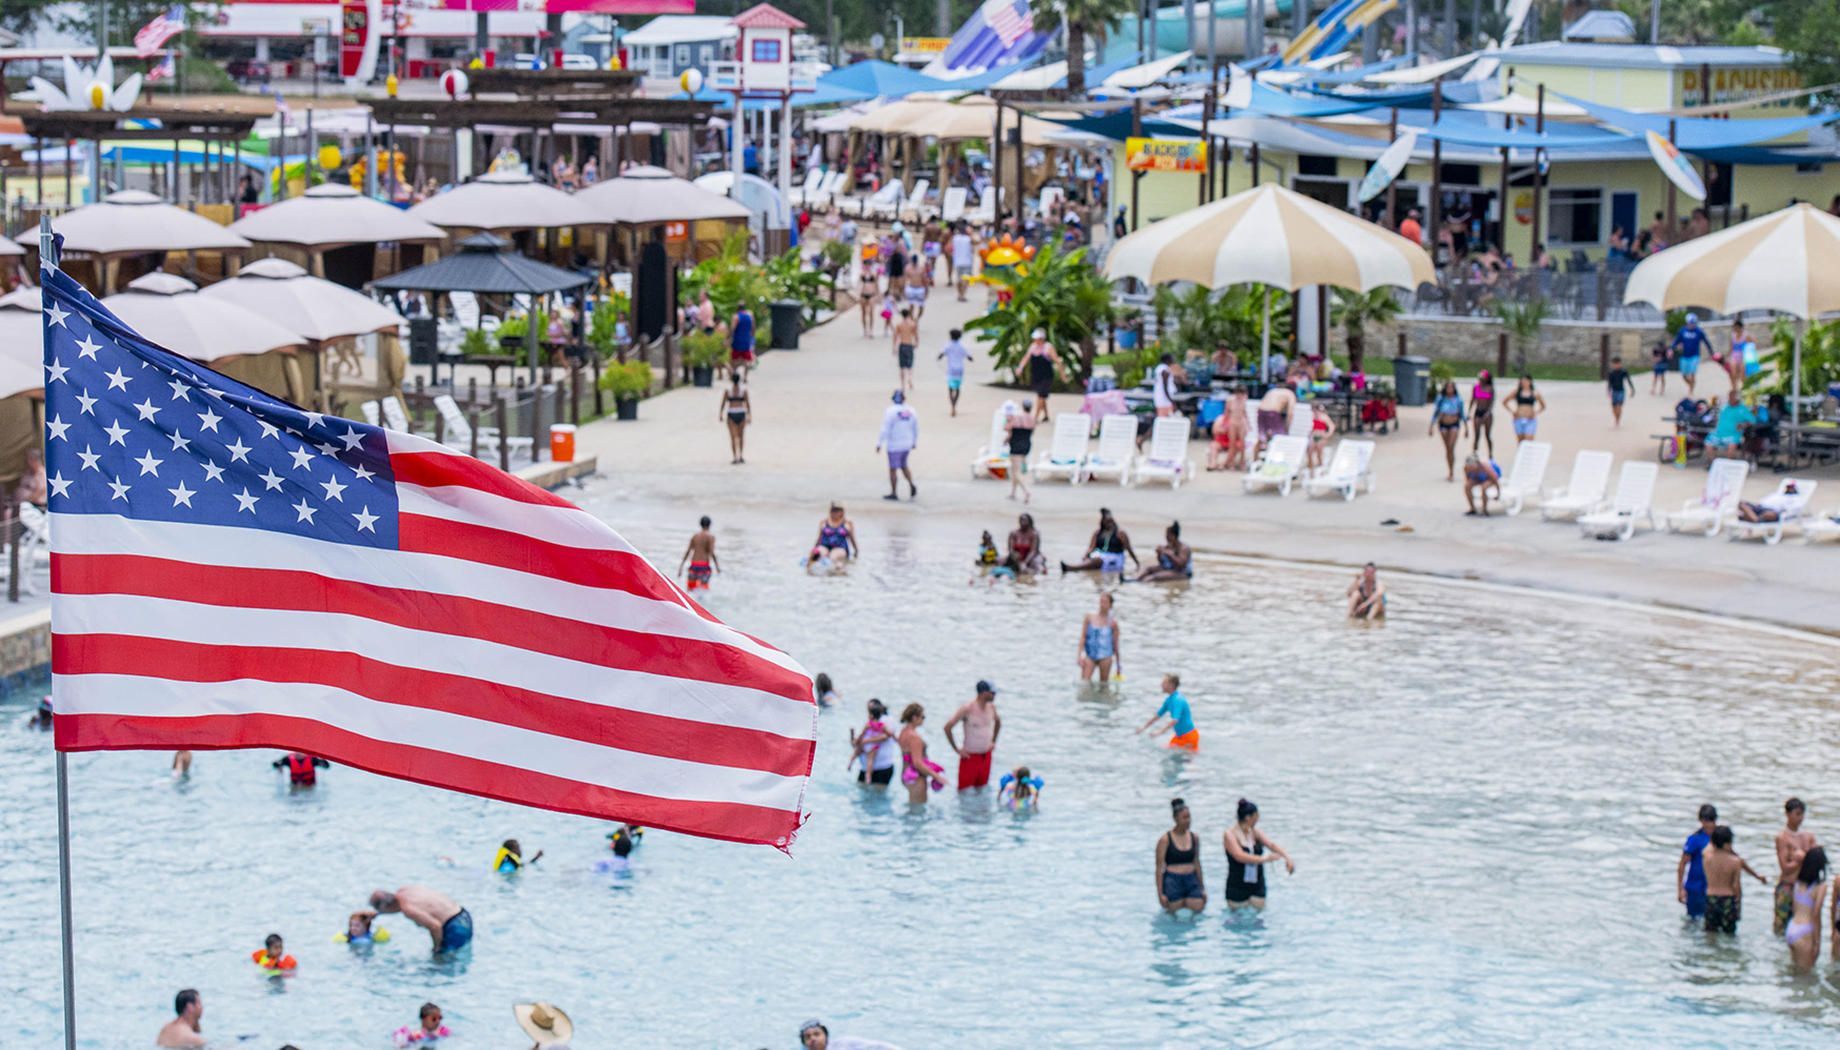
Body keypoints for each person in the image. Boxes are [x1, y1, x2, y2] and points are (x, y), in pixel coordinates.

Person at [1222, 798, 1295, 911]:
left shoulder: (1255, 832)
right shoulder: (1230, 834)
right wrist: (1265, 859)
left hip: (1257, 884)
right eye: (1256, 816)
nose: (1258, 819)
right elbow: (1239, 856)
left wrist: (1287, 857)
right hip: (1237, 884)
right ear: (1248, 817)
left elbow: (1271, 845)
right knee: (1237, 919)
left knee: (1258, 918)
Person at [1702, 825, 1767, 934]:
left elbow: (1711, 845)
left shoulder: (1706, 855)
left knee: (1710, 935)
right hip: (1728, 900)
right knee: (1729, 935)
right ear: (1728, 844)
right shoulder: (1735, 862)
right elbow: (1737, 887)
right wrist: (1739, 910)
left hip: (1711, 898)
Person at [369, 885, 471, 951]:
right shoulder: (406, 890)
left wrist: (436, 948)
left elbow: (435, 926)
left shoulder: (408, 909)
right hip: (463, 914)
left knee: (442, 962)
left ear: (387, 907)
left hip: (455, 927)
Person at [943, 680, 1001, 790]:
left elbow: (998, 722)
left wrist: (993, 741)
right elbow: (947, 727)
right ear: (983, 693)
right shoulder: (967, 708)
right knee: (964, 791)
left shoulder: (992, 707)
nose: (994, 695)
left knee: (982, 789)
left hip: (986, 755)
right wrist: (957, 749)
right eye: (992, 693)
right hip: (970, 757)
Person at [1775, 798, 1817, 937]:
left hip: (1804, 887)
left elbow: (1817, 861)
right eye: (1797, 814)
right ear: (1787, 814)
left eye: (1802, 814)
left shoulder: (1808, 837)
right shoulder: (1783, 838)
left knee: (1804, 923)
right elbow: (1785, 867)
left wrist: (1803, 858)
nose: (1801, 818)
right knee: (1782, 924)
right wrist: (1801, 860)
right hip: (1788, 885)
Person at [1156, 798, 1206, 914]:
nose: (1188, 821)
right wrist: (1160, 893)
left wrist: (1202, 888)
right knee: (1173, 912)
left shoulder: (1194, 838)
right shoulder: (1165, 840)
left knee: (1198, 908)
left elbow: (1197, 863)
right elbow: (1159, 868)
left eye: (1189, 817)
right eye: (1184, 818)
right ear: (1175, 818)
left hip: (1191, 879)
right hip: (1173, 880)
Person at [1785, 847, 1828, 965]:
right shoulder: (1821, 887)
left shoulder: (1798, 881)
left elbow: (1794, 907)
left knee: (1793, 970)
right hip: (1805, 931)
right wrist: (1817, 942)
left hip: (1792, 927)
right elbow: (1816, 914)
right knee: (1806, 978)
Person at [897, 703, 946, 803]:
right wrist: (937, 777)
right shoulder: (914, 737)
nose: (923, 719)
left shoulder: (903, 732)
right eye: (923, 717)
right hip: (916, 776)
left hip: (905, 772)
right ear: (915, 718)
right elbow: (917, 762)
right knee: (918, 808)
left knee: (913, 805)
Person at [1062, 509, 1138, 574]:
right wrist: (1085, 556)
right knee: (1091, 560)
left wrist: (1137, 563)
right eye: (1107, 522)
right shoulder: (1098, 532)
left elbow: (1129, 549)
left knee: (1097, 561)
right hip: (1099, 554)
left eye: (1111, 521)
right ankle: (1076, 568)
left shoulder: (1120, 533)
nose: (1110, 524)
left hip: (1115, 556)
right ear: (1103, 522)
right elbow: (1092, 547)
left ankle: (1072, 568)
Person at [876, 389, 919, 501]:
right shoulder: (911, 410)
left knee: (893, 468)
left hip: (894, 444)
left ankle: (894, 492)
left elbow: (885, 428)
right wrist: (914, 441)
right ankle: (911, 484)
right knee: (904, 466)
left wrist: (879, 443)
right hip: (906, 443)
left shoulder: (890, 411)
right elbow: (916, 427)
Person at [1136, 673, 1197, 750]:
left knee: (1183, 758)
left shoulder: (1177, 699)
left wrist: (1159, 732)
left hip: (1188, 736)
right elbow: (1157, 715)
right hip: (1179, 736)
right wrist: (1143, 728)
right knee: (1167, 749)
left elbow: (1175, 720)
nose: (1161, 685)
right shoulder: (1169, 700)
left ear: (1171, 685)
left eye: (1164, 683)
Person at [1678, 803, 1718, 920]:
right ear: (1700, 820)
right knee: (1693, 920)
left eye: (1711, 821)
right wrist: (1681, 889)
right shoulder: (1694, 839)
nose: (1709, 825)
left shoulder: (1720, 837)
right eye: (1706, 821)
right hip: (1695, 887)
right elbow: (1682, 864)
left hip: (1714, 887)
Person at [849, 699, 899, 786]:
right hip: (864, 767)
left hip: (882, 767)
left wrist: (864, 741)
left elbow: (886, 737)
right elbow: (858, 740)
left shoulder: (887, 720)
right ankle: (852, 764)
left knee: (878, 793)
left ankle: (857, 767)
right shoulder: (868, 722)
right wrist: (853, 736)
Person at [1429, 379, 1467, 481]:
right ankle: (1449, 468)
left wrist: (1466, 427)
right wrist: (1431, 425)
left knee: (1451, 446)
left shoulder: (1458, 400)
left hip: (1454, 423)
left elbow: (1462, 414)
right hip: (1443, 424)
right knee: (1448, 448)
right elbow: (1436, 412)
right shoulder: (1441, 399)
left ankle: (1451, 472)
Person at [1077, 592, 1120, 682]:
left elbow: (1115, 645)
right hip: (1090, 655)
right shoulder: (1089, 618)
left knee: (1103, 685)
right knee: (1084, 683)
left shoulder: (1113, 624)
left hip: (1105, 656)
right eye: (1101, 602)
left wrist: (1118, 665)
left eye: (1105, 602)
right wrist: (1079, 655)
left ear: (1110, 606)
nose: (1102, 605)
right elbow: (1083, 637)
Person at [1003, 398, 1035, 503]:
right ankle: (1013, 492)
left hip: (1016, 445)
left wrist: (1008, 419)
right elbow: (1031, 432)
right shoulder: (1032, 419)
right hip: (1026, 445)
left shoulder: (1017, 418)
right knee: (1014, 470)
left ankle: (1026, 491)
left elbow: (1006, 428)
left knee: (1017, 472)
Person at [1670, 313, 1711, 395]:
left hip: (1694, 355)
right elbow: (1677, 340)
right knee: (1684, 375)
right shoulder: (1683, 331)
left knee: (1692, 373)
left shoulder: (1699, 332)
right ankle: (1691, 385)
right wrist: (1671, 349)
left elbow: (1706, 342)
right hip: (1685, 355)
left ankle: (1690, 392)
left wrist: (1711, 353)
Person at [1208, 389, 1247, 471]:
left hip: (1234, 443)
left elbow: (1244, 433)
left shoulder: (1241, 420)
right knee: (1213, 445)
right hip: (1221, 442)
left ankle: (1223, 465)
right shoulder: (1221, 419)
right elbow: (1215, 430)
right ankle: (1213, 464)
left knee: (1235, 447)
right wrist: (1227, 430)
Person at [1023, 330, 1058, 421]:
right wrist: (1020, 367)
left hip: (1046, 376)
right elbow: (1026, 357)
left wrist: (1062, 374)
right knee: (1041, 396)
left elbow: (1057, 360)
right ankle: (1046, 415)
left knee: (1040, 396)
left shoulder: (1048, 347)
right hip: (1036, 375)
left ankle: (1035, 417)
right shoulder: (1032, 347)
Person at [717, 373, 751, 465]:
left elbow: (723, 403)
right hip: (741, 412)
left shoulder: (728, 391)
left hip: (731, 413)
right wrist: (749, 415)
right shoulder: (743, 391)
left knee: (733, 437)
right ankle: (741, 456)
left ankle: (735, 456)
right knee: (741, 436)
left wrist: (720, 414)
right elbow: (747, 404)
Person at [1254, 383, 1296, 456]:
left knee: (1262, 437)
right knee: (1280, 438)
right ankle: (1276, 461)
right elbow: (1290, 413)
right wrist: (1287, 428)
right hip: (1273, 412)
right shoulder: (1290, 394)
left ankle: (1254, 460)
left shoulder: (1273, 391)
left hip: (1261, 411)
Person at [1707, 394, 1755, 458]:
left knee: (1731, 445)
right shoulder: (1724, 408)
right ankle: (1713, 463)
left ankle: (1729, 463)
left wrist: (1744, 424)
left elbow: (1752, 421)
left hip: (1733, 434)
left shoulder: (1742, 410)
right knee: (1709, 442)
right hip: (1719, 433)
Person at [678, 516, 719, 590]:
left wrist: (680, 568)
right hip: (704, 566)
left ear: (700, 524)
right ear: (709, 525)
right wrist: (717, 567)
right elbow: (712, 553)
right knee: (703, 592)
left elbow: (688, 552)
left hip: (694, 565)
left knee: (690, 591)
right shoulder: (710, 537)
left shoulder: (695, 537)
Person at [938, 328, 970, 416]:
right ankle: (955, 404)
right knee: (958, 388)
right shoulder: (961, 347)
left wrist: (939, 357)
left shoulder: (948, 345)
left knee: (950, 389)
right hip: (959, 370)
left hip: (951, 370)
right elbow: (968, 356)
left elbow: (941, 354)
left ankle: (952, 406)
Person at [1738, 480, 1804, 522]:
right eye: (1788, 487)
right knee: (1741, 504)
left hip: (1774, 511)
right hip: (1761, 508)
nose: (1789, 489)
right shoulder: (1778, 494)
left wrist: (1783, 511)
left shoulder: (1796, 498)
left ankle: (1754, 519)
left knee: (1769, 514)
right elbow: (1762, 501)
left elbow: (1796, 508)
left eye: (1791, 488)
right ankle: (1753, 518)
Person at [1509, 374, 1545, 443]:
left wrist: (1536, 413)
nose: (1524, 383)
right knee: (1520, 441)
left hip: (1529, 418)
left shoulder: (1535, 393)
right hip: (1519, 417)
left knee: (1528, 440)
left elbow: (1543, 406)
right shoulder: (1517, 392)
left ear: (1530, 382)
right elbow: (1504, 401)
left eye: (1526, 381)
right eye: (1522, 381)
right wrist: (1512, 411)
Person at [891, 307, 919, 392]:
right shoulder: (913, 324)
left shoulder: (899, 325)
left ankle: (903, 384)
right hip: (909, 344)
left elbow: (896, 336)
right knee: (910, 365)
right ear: (909, 315)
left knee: (902, 367)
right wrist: (916, 343)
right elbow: (916, 335)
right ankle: (910, 379)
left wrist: (894, 347)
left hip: (902, 344)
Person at [1469, 370, 1496, 457]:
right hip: (1478, 411)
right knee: (1476, 434)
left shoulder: (1490, 388)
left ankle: (1490, 453)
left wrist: (1488, 412)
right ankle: (1474, 452)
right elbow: (1472, 400)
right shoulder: (1476, 387)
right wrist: (1469, 412)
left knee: (1487, 434)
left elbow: (1491, 402)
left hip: (1486, 411)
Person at [1606, 356, 1635, 427]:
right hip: (1614, 391)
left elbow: (1628, 380)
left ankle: (1618, 420)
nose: (1616, 365)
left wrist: (1632, 390)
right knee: (1613, 407)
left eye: (1618, 364)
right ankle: (1616, 417)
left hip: (1621, 391)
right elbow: (1610, 382)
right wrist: (1608, 390)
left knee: (1619, 406)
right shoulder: (1611, 373)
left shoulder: (1623, 372)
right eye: (1615, 364)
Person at [1305, 402, 1335, 469]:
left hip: (1321, 436)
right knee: (1309, 451)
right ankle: (1310, 466)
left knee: (1319, 452)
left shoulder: (1323, 416)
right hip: (1313, 435)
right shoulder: (1311, 416)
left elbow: (1331, 425)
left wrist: (1328, 434)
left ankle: (1320, 465)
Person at [729, 302, 756, 378]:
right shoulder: (750, 316)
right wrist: (752, 336)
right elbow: (753, 327)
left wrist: (729, 337)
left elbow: (732, 329)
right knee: (747, 360)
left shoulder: (736, 317)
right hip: (746, 340)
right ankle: (745, 377)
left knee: (734, 359)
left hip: (737, 340)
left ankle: (734, 375)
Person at [951, 222, 975, 300]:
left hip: (957, 261)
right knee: (965, 279)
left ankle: (959, 294)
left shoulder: (955, 238)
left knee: (958, 279)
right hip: (967, 261)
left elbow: (949, 247)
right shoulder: (968, 239)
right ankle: (963, 294)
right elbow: (977, 241)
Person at [1151, 352, 1179, 418]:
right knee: (1164, 419)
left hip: (1161, 398)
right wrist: (1172, 401)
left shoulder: (1160, 368)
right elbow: (1165, 387)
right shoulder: (1165, 371)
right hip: (1164, 400)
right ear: (1167, 360)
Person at [858, 262, 879, 337]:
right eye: (866, 265)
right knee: (863, 313)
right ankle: (864, 329)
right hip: (863, 294)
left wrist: (878, 294)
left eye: (868, 265)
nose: (867, 267)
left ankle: (871, 330)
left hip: (871, 294)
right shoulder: (862, 274)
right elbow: (859, 284)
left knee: (871, 312)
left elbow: (876, 284)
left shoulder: (874, 274)